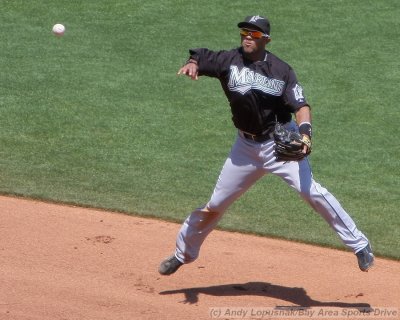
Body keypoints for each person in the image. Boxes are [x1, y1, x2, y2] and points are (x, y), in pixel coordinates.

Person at [159, 15, 374, 275]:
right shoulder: (229, 60)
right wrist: (192, 64)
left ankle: (360, 245)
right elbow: (202, 57)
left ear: (266, 39)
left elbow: (301, 106)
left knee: (311, 192)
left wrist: (305, 135)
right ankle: (182, 254)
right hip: (244, 148)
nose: (248, 36)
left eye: (256, 34)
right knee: (215, 205)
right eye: (245, 32)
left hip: (279, 144)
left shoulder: (281, 71)